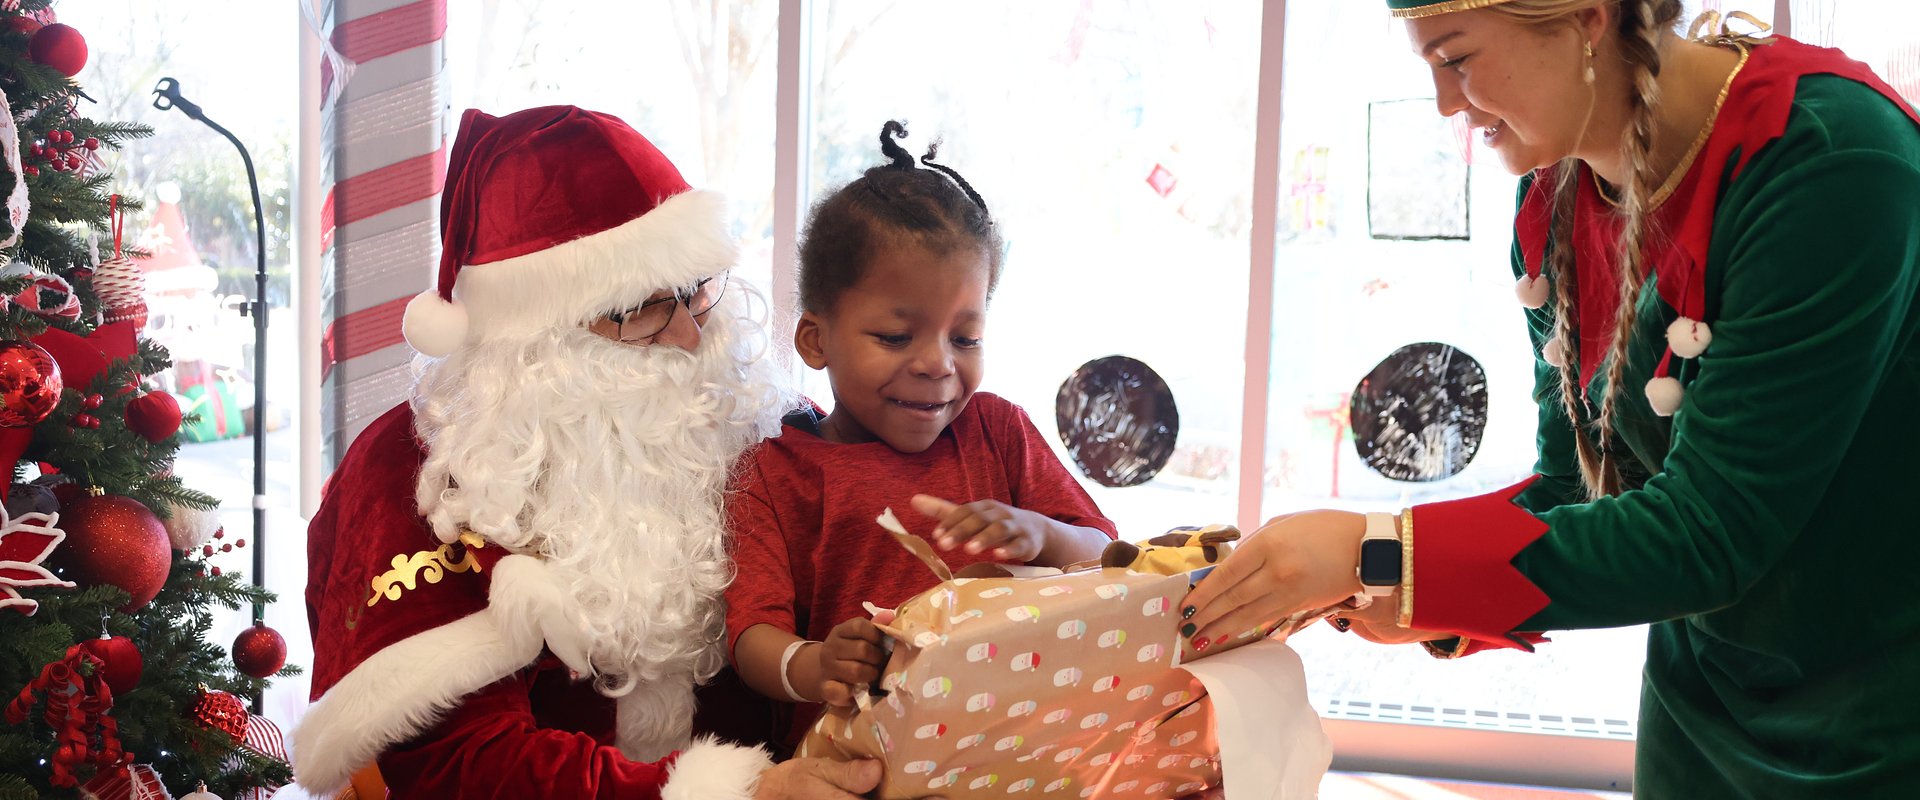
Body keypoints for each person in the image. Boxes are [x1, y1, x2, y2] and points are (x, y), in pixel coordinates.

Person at [1184, 1, 1920, 795]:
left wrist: (1380, 548)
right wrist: (1404, 587)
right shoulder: (1557, 191)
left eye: (1456, 59)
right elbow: (1577, 484)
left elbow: (1710, 533)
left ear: (1589, 19)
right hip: (1703, 703)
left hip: (1877, 713)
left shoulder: (1830, 160)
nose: (1445, 105)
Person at [293, 105, 883, 799]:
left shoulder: (764, 423)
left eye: (696, 292)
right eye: (640, 310)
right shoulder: (422, 470)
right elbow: (459, 763)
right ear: (532, 341)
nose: (692, 338)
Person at [723, 121, 1119, 753]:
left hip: (1019, 754)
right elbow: (749, 638)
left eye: (965, 338)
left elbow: (1107, 553)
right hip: (860, 763)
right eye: (895, 336)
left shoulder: (998, 431)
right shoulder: (775, 473)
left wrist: (1043, 535)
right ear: (816, 340)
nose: (938, 364)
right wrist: (817, 663)